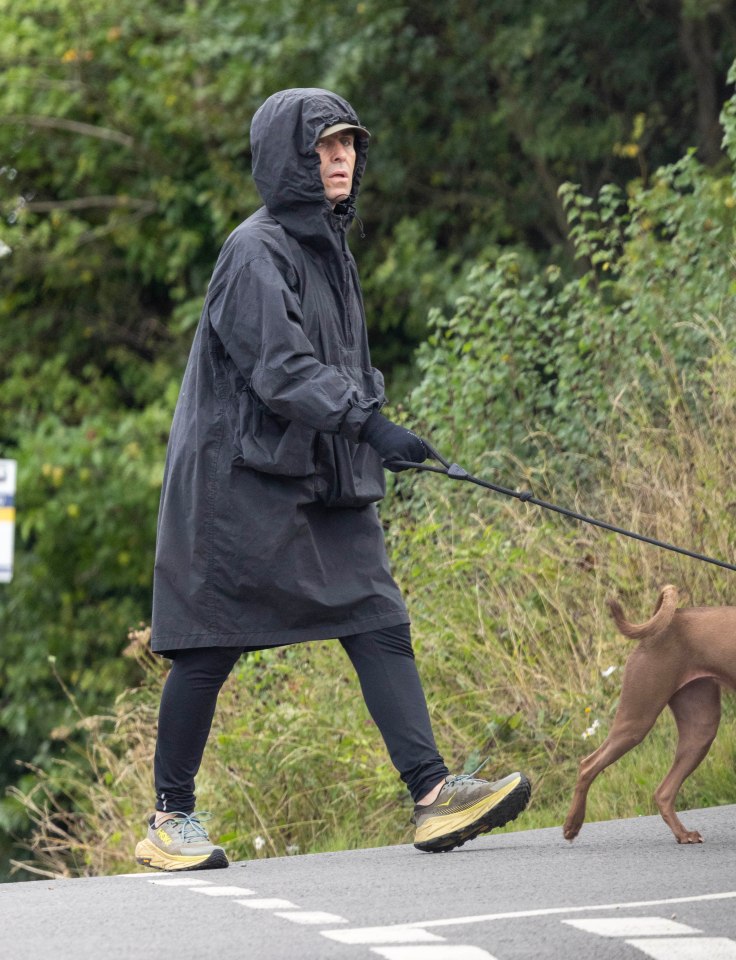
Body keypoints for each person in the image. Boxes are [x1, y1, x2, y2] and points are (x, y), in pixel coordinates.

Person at [134, 87, 531, 872]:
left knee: (377, 614)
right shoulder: (254, 252)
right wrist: (368, 422)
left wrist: (370, 430)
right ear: (289, 158)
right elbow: (282, 371)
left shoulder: (329, 249)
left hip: (322, 477)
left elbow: (333, 367)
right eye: (323, 145)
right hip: (238, 486)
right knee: (209, 643)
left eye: (348, 143)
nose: (341, 156)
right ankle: (168, 821)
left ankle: (431, 794)